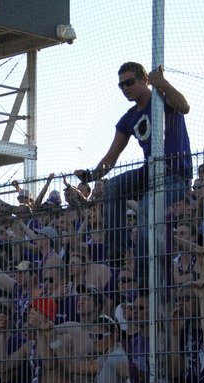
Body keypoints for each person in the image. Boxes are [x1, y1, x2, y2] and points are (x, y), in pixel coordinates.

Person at [74, 62, 192, 281]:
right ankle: (116, 251)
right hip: (150, 171)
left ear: (144, 80)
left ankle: (144, 278)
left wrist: (163, 84)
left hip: (175, 173)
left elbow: (184, 107)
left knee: (146, 209)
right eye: (121, 85)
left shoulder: (162, 99)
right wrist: (91, 176)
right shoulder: (128, 118)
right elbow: (110, 158)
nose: (125, 88)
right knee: (113, 187)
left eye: (129, 82)